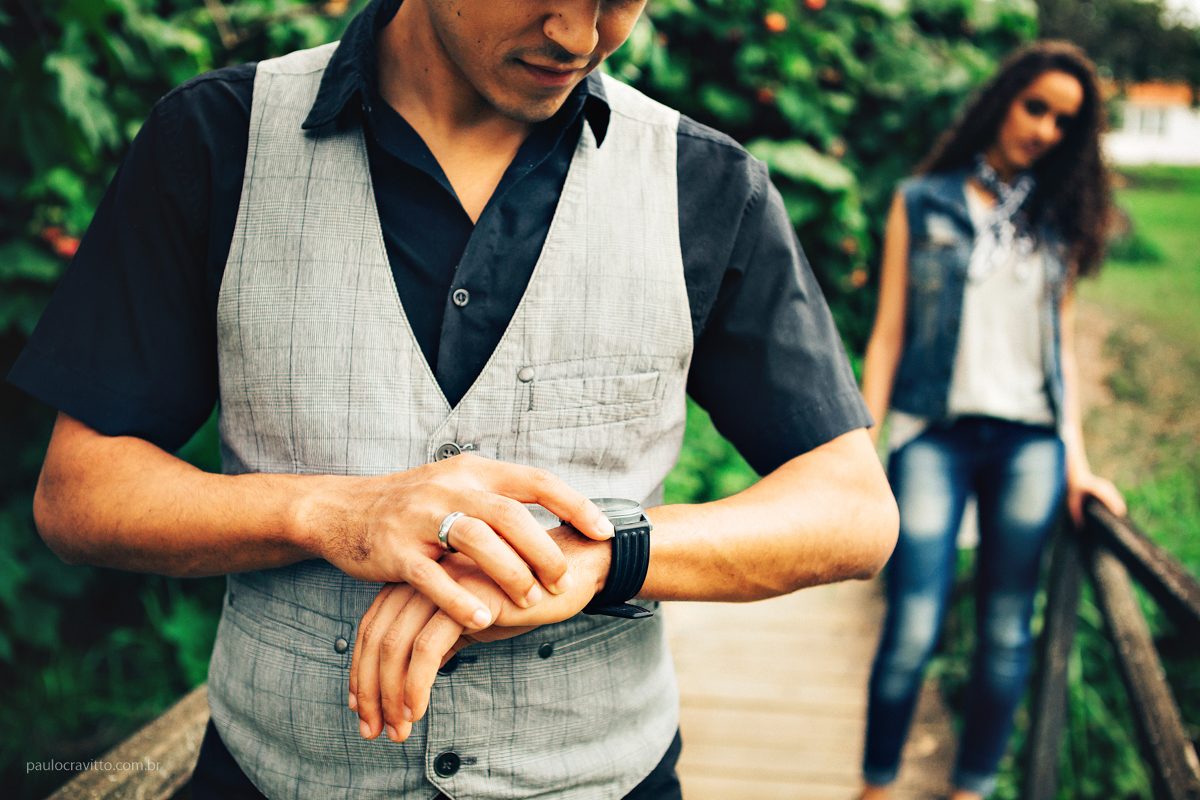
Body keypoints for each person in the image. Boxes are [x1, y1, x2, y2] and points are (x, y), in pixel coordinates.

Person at [9, 1, 898, 798]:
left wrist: (599, 557)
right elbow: (79, 494)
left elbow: (851, 511)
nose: (579, 35)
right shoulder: (213, 140)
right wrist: (334, 513)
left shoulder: (704, 184)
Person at [857, 40, 1127, 799]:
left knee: (1008, 632)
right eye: (1035, 106)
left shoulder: (1061, 221)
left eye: (1063, 122)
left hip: (1029, 444)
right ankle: (876, 785)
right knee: (912, 626)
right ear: (1003, 101)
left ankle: (971, 788)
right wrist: (861, 450)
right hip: (933, 436)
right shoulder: (923, 201)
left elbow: (1060, 356)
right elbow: (887, 336)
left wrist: (1078, 463)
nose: (1044, 129)